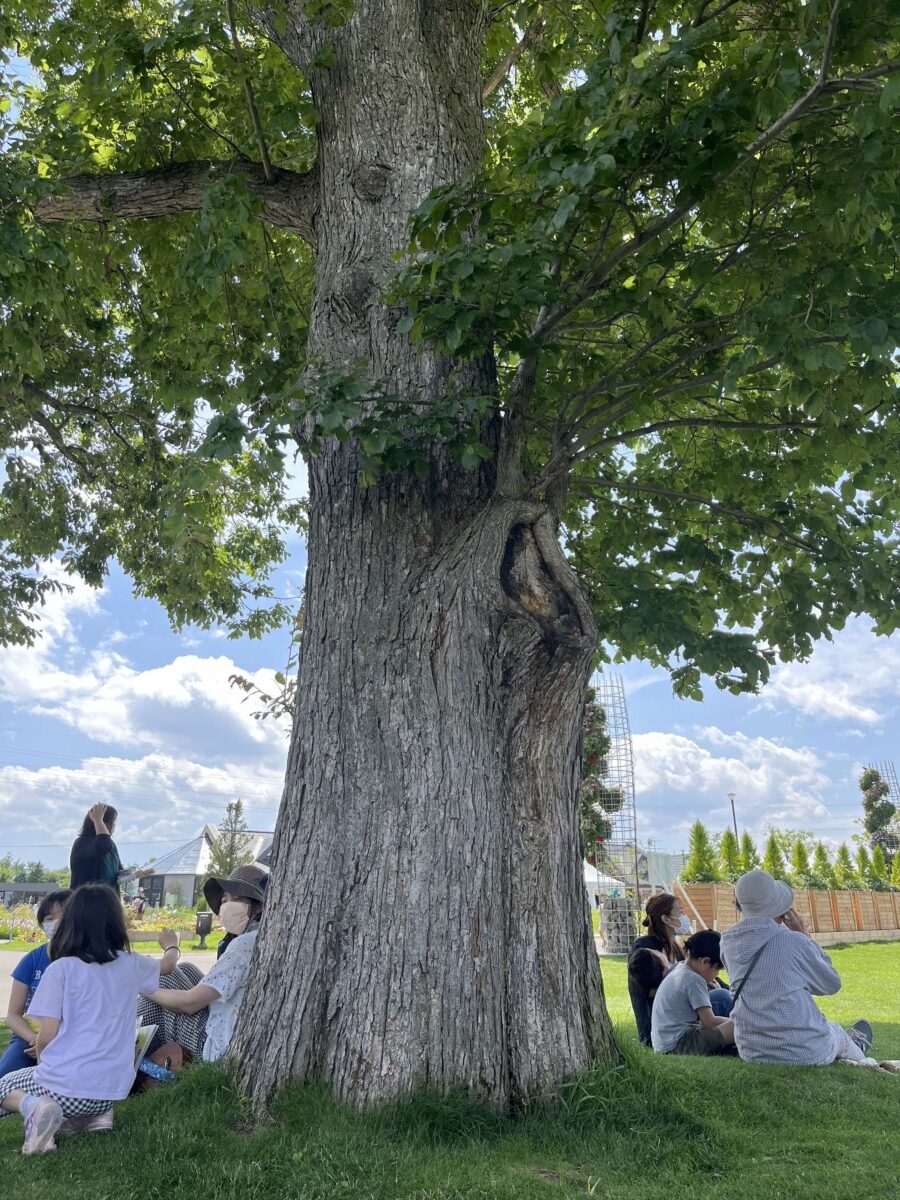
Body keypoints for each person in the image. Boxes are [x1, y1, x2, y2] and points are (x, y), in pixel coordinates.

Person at [0, 884, 180, 1154]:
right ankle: (92, 1119)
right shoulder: (131, 964)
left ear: (70, 924)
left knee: (4, 1085)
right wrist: (172, 945)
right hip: (112, 1091)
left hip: (67, 1090)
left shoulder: (61, 969)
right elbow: (167, 966)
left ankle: (35, 1110)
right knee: (68, 1088)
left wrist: (41, 1057)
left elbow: (46, 1037)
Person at [721, 869, 873, 1066]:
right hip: (804, 1050)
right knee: (836, 1031)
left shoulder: (727, 942)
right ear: (781, 909)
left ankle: (852, 1046)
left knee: (831, 1030)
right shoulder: (792, 940)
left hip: (752, 1050)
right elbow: (831, 984)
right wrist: (804, 935)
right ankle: (861, 1054)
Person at [136, 870, 267, 1062]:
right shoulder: (262, 937)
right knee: (187, 968)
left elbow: (190, 1003)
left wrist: (142, 986)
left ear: (258, 906)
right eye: (224, 900)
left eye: (236, 899)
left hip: (217, 1047)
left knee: (162, 981)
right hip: (237, 1032)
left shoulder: (244, 945)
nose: (226, 906)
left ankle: (123, 1054)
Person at [627, 892, 732, 1045]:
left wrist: (722, 987)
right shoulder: (646, 951)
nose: (684, 916)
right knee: (722, 998)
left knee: (723, 994)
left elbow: (704, 973)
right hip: (667, 1026)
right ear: (666, 918)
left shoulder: (677, 949)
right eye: (680, 912)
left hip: (679, 1023)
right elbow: (647, 991)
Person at [0, 890, 72, 1080]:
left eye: (65, 915)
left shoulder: (87, 961)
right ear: (41, 925)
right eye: (50, 918)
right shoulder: (31, 961)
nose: (57, 922)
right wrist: (34, 1039)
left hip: (72, 1040)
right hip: (29, 1039)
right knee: (5, 1078)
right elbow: (13, 1015)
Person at [650, 929, 736, 1056]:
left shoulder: (679, 968)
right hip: (679, 1045)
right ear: (705, 962)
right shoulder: (694, 979)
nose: (717, 974)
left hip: (665, 1044)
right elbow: (709, 1022)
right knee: (739, 1026)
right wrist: (735, 1022)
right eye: (717, 969)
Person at [69, 804, 155, 892]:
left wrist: (133, 875)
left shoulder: (111, 845)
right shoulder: (82, 842)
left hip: (108, 898)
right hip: (86, 900)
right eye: (112, 822)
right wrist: (98, 820)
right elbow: (103, 844)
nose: (114, 826)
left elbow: (117, 874)